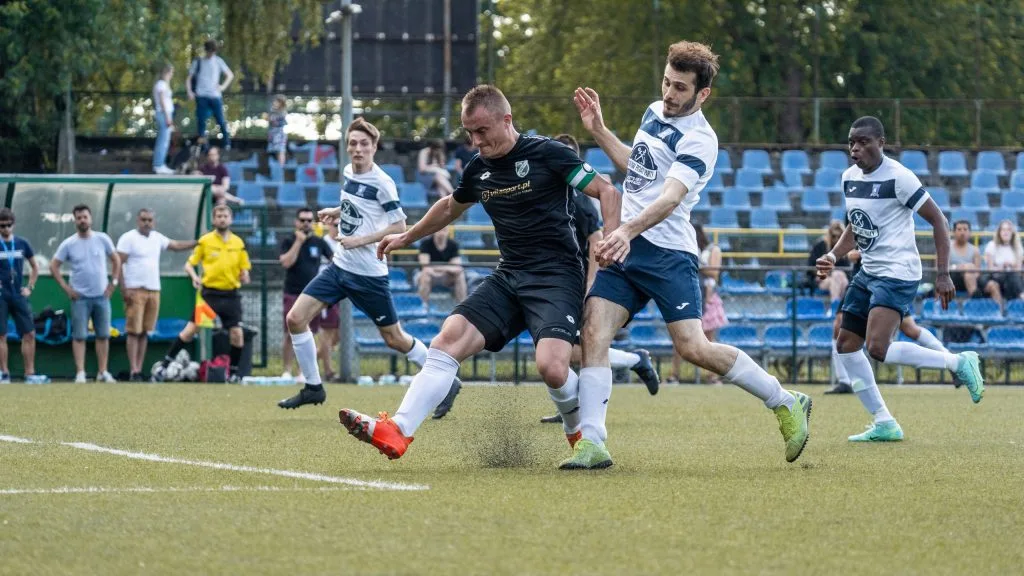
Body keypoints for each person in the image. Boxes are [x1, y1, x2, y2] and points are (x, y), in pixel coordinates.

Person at [337, 85, 621, 461]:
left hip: (556, 276)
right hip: (509, 274)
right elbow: (449, 207)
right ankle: (398, 430)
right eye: (469, 133)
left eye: (482, 131)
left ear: (506, 120)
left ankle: (579, 432)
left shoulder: (548, 153)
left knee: (553, 368)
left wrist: (612, 240)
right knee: (447, 339)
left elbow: (608, 191)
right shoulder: (478, 168)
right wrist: (407, 236)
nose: (475, 142)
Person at [566, 41, 811, 470]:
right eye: (666, 82)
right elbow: (638, 168)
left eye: (680, 88)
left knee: (694, 347)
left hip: (668, 253)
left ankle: (785, 400)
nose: (669, 93)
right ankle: (593, 442)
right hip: (628, 247)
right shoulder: (653, 112)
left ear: (703, 93)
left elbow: (669, 198)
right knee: (593, 334)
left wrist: (624, 230)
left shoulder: (701, 139)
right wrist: (599, 131)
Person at [816, 116, 983, 442]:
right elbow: (856, 225)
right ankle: (884, 422)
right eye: (851, 142)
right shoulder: (849, 178)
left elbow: (939, 221)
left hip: (898, 272)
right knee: (846, 345)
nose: (855, 149)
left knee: (877, 348)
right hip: (869, 272)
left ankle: (957, 362)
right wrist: (834, 255)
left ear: (881, 143)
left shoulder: (900, 178)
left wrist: (944, 274)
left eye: (863, 142)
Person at [277, 118, 450, 410]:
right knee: (295, 319)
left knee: (394, 338)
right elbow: (357, 206)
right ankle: (313, 387)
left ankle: (447, 381)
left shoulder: (383, 182)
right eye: (353, 143)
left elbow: (399, 226)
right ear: (347, 147)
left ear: (374, 147)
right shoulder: (348, 171)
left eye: (364, 144)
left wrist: (360, 240)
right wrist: (337, 211)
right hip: (339, 268)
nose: (358, 149)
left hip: (368, 274)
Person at [539, 133, 659, 426]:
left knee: (569, 346)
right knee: (562, 346)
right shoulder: (552, 192)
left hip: (576, 280)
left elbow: (596, 240)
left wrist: (591, 283)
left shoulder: (580, 199)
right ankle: (632, 362)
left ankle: (579, 406)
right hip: (557, 278)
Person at [157, 204, 251, 381]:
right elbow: (189, 265)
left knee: (237, 334)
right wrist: (194, 277)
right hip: (210, 295)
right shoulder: (205, 241)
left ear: (231, 219)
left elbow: (244, 268)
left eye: (225, 216)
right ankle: (164, 366)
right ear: (213, 220)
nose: (222, 219)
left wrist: (245, 275)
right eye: (219, 216)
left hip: (231, 295)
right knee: (190, 330)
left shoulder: (238, 243)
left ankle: (234, 374)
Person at [116, 208, 196, 381]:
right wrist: (123, 288)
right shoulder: (128, 238)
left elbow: (175, 246)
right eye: (143, 220)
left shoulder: (157, 238)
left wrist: (197, 243)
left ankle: (139, 369)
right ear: (138, 221)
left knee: (145, 331)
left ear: (154, 222)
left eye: (150, 220)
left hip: (153, 290)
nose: (147, 223)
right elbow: (118, 263)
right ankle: (133, 370)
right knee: (133, 331)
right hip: (135, 289)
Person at [51, 205, 121, 383]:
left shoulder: (102, 239)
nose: (82, 220)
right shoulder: (69, 243)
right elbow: (54, 266)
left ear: (90, 218)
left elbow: (116, 260)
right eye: (79, 218)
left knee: (103, 334)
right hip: (80, 298)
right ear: (75, 220)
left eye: (85, 217)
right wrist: (66, 288)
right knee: (79, 336)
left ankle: (103, 371)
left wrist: (113, 284)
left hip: (102, 296)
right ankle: (80, 373)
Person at [278, 207, 334, 382]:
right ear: (296, 222)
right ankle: (287, 371)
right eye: (302, 220)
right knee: (290, 333)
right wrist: (298, 242)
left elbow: (335, 260)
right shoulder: (288, 240)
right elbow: (286, 262)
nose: (306, 224)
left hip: (312, 295)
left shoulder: (318, 242)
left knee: (310, 334)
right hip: (292, 292)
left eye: (309, 220)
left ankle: (303, 372)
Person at [669, 223, 728, 385]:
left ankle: (712, 376)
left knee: (709, 340)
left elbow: (714, 272)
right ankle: (674, 375)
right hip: (689, 295)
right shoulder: (684, 250)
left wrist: (697, 263)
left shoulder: (712, 249)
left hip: (709, 299)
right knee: (680, 338)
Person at [0, 209, 45, 383]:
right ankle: (4, 373)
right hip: (2, 295)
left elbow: (35, 266)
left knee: (29, 333)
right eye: (2, 226)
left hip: (18, 294)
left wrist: (30, 287)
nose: (5, 229)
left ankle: (30, 374)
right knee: (1, 335)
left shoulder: (22, 243)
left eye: (8, 225)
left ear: (14, 225)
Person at [186, 39, 234, 150]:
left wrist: (222, 87)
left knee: (220, 120)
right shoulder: (198, 62)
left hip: (215, 95)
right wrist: (189, 91)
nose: (210, 54)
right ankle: (202, 145)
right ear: (206, 50)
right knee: (201, 121)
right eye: (209, 51)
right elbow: (189, 78)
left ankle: (226, 143)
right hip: (201, 95)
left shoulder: (218, 61)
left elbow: (230, 75)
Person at [416, 226, 467, 306]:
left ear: (448, 232)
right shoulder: (426, 243)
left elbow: (457, 268)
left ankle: (462, 306)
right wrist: (448, 267)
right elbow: (425, 266)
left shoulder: (453, 244)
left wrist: (435, 268)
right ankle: (422, 306)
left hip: (445, 276)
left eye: (444, 230)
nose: (441, 233)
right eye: (439, 230)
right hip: (429, 276)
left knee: (460, 275)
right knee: (425, 274)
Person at [317, 221, 342, 381]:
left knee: (338, 334)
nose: (338, 227)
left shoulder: (345, 243)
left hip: (342, 292)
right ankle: (328, 371)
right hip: (327, 291)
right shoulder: (323, 243)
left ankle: (311, 361)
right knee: (327, 332)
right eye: (335, 224)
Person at [980, 219, 1024, 305]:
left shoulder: (1018, 247)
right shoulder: (991, 245)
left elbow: (1018, 270)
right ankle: (1021, 297)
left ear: (1012, 233)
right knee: (1011, 275)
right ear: (999, 232)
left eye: (1008, 230)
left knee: (1013, 276)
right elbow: (990, 269)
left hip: (1012, 278)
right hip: (996, 276)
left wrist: (1011, 265)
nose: (1006, 232)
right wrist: (1002, 266)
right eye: (1003, 230)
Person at [807, 220, 851, 304]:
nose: (836, 239)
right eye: (834, 236)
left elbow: (847, 272)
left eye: (839, 236)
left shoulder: (844, 249)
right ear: (829, 234)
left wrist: (834, 271)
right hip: (822, 280)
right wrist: (827, 270)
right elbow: (810, 267)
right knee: (837, 276)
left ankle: (834, 305)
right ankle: (838, 307)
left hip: (840, 279)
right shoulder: (820, 245)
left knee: (839, 277)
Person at [152, 64, 176, 174]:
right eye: (171, 72)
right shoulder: (161, 84)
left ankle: (160, 164)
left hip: (165, 114)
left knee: (164, 140)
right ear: (167, 72)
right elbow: (162, 101)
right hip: (163, 114)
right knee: (163, 141)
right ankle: (158, 165)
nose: (172, 75)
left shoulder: (164, 84)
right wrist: (167, 117)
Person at [949, 220, 981, 297]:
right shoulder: (945, 247)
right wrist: (957, 267)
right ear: (953, 232)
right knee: (968, 267)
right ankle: (974, 296)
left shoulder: (975, 250)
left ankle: (974, 294)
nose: (962, 232)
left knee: (969, 268)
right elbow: (939, 269)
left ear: (970, 233)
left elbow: (978, 272)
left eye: (965, 229)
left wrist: (967, 272)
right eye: (959, 229)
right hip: (950, 279)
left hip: (970, 279)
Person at [267, 94, 288, 167]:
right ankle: (276, 167)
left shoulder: (282, 112)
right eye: (274, 101)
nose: (274, 103)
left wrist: (273, 121)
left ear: (281, 103)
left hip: (279, 134)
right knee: (274, 151)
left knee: (281, 150)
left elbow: (283, 123)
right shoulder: (272, 111)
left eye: (276, 101)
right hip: (273, 134)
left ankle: (281, 167)